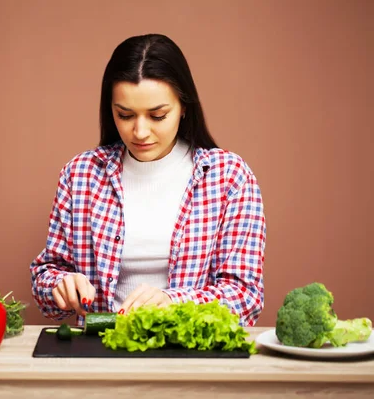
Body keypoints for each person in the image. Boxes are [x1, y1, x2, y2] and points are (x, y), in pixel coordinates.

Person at [29, 33, 266, 327]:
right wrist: (61, 284)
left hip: (189, 359)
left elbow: (245, 297)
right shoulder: (81, 174)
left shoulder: (229, 177)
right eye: (125, 115)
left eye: (157, 116)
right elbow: (47, 277)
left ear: (184, 108)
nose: (140, 132)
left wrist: (173, 303)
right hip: (99, 352)